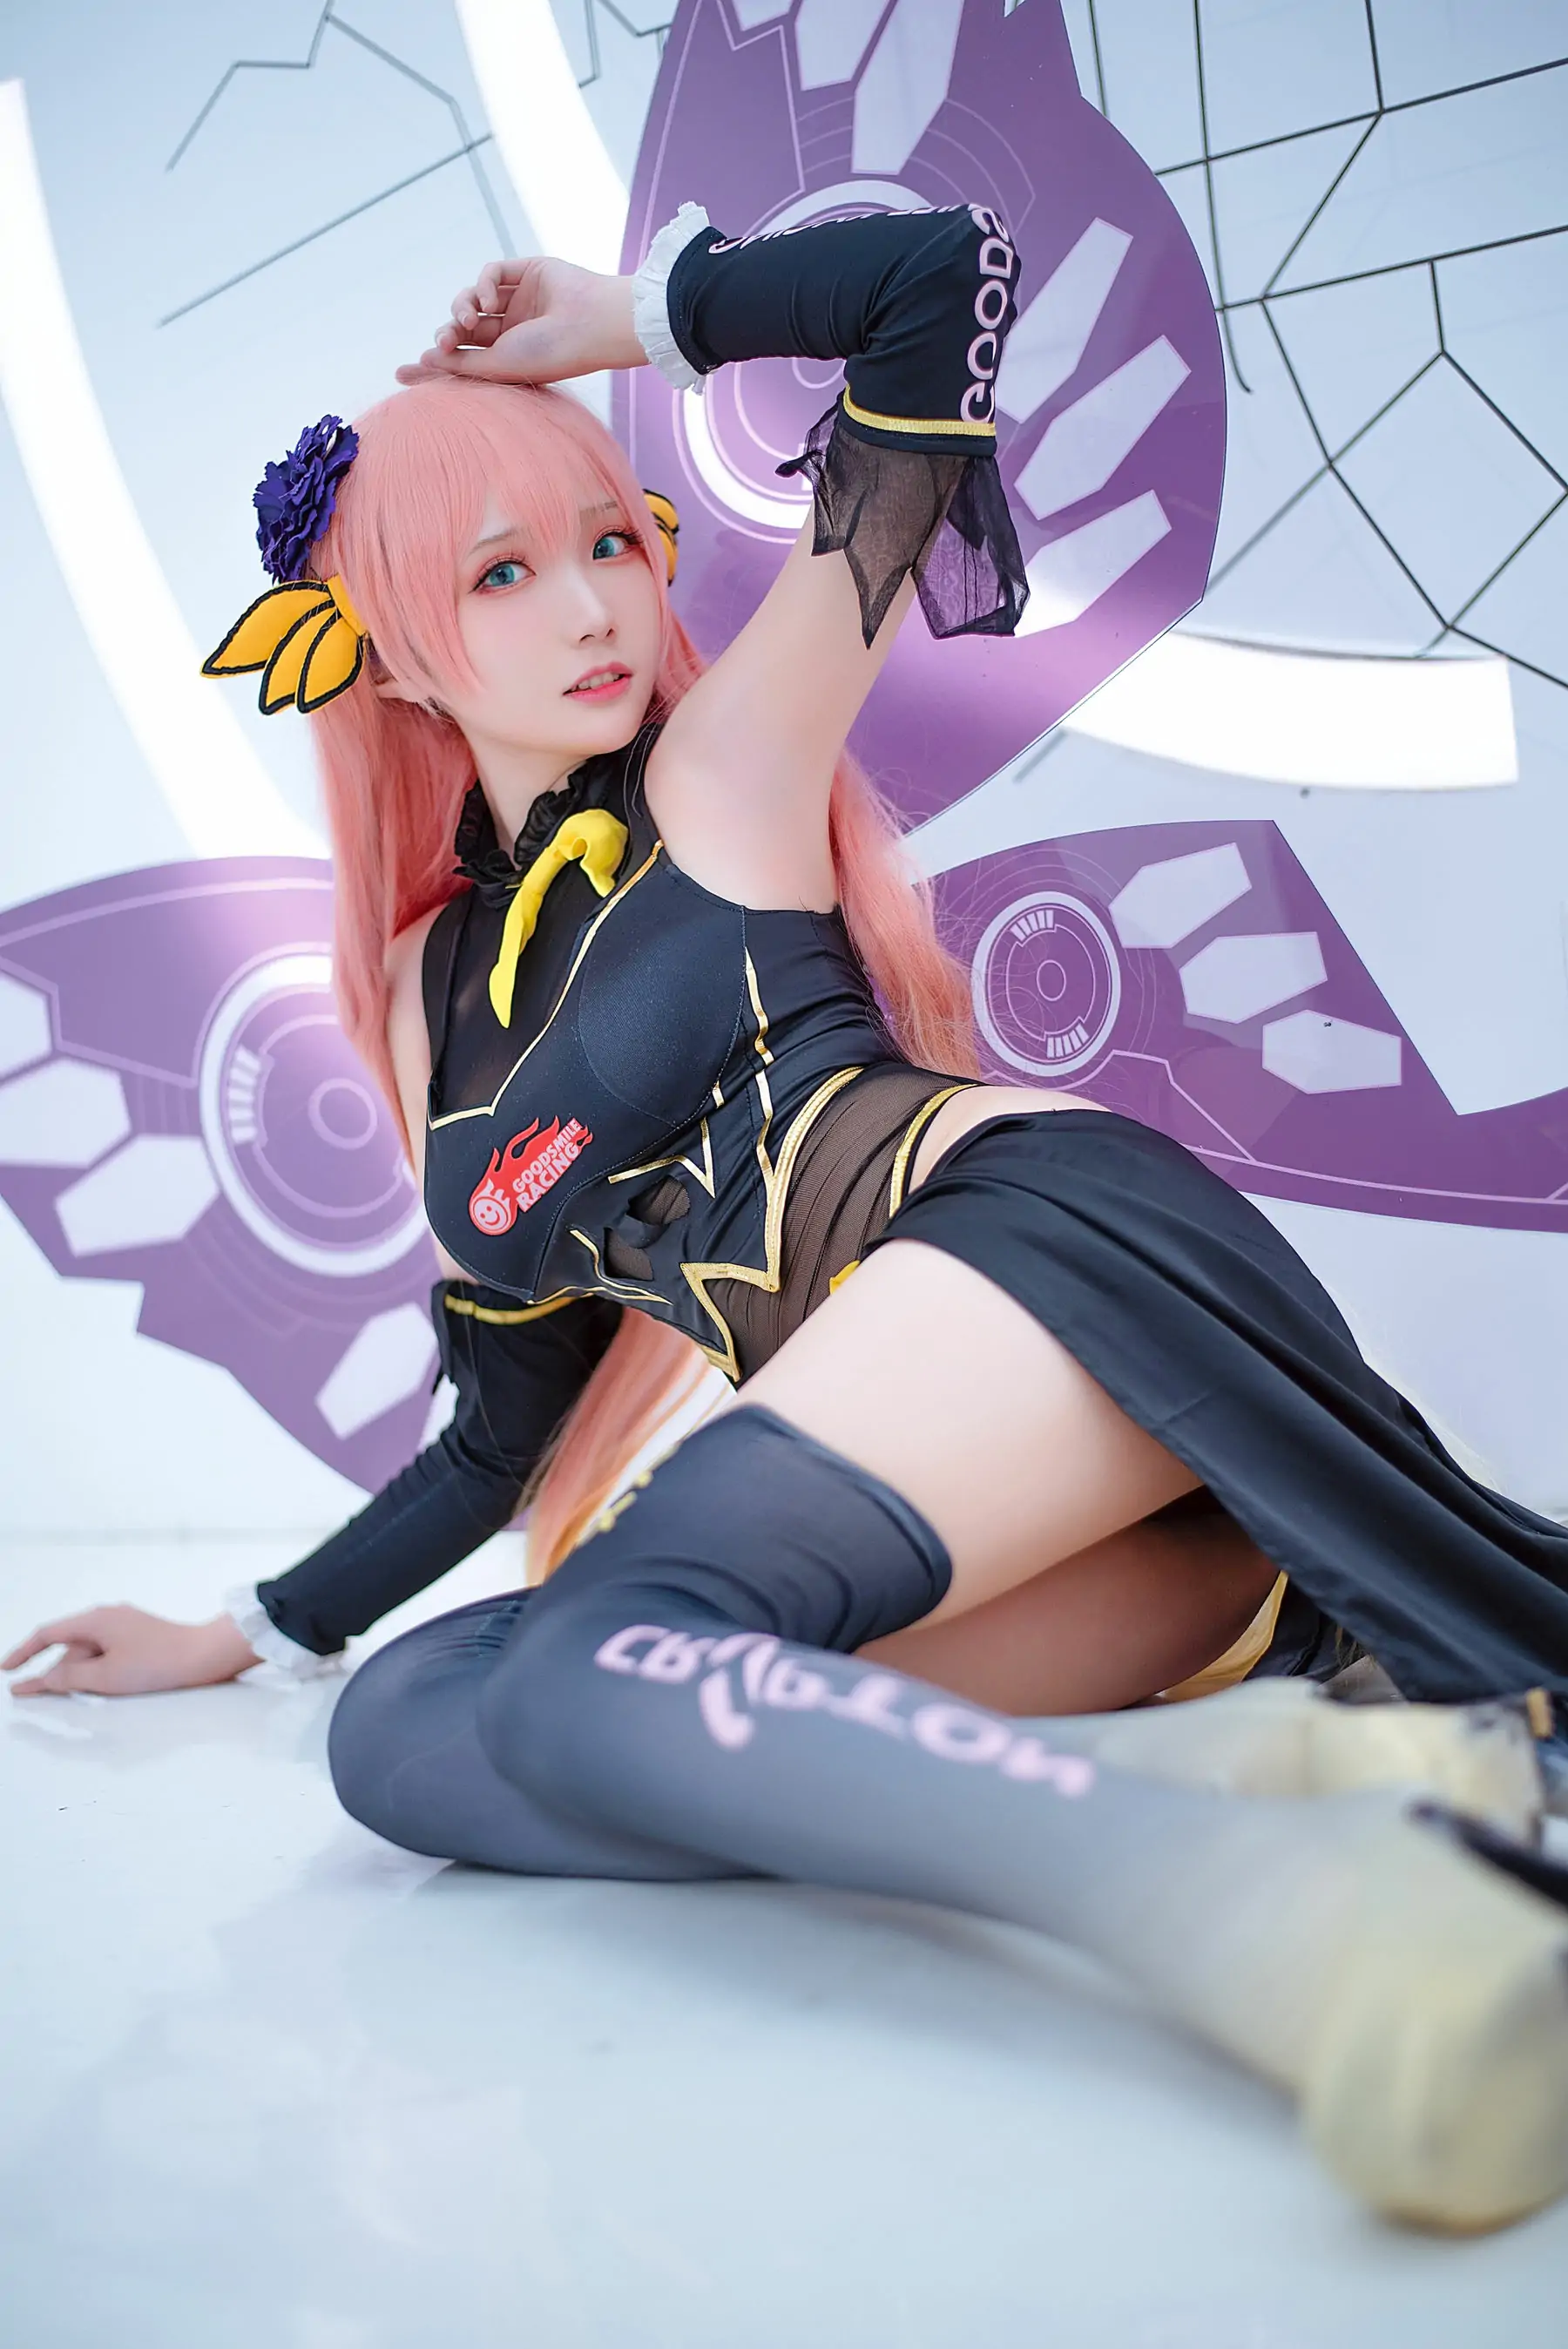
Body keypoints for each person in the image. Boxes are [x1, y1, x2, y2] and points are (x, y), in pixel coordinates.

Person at [8, 203, 1568, 2231]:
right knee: (407, 1731)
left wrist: (630, 315)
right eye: (502, 571)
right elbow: (503, 1425)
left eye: (611, 540)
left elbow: (937, 285)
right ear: (382, 649)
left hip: (1047, 1254)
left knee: (596, 1658)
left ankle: (1300, 1919)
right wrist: (247, 1629)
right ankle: (1292, 1774)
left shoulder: (723, 773)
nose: (595, 605)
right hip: (1067, 1513)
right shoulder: (411, 1003)